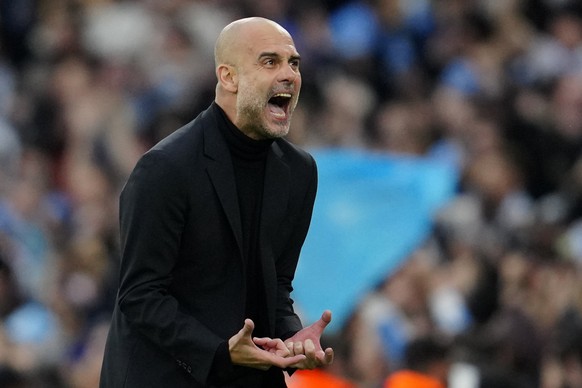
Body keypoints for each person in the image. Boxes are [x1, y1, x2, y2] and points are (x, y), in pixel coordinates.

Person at [99, 16, 334, 388]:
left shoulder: (300, 171)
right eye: (270, 61)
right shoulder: (165, 168)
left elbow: (276, 286)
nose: (289, 74)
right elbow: (140, 295)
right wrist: (217, 352)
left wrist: (291, 336)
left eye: (294, 63)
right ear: (228, 77)